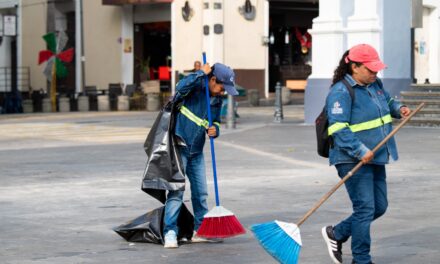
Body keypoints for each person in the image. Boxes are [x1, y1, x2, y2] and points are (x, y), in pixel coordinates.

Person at [321, 44, 411, 264]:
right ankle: (361, 260)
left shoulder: (375, 84)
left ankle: (338, 233)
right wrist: (360, 150)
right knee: (364, 209)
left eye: (376, 69)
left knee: (379, 207)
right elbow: (338, 129)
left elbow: (388, 102)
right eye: (370, 69)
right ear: (354, 66)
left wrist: (399, 109)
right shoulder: (340, 92)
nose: (375, 73)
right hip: (351, 158)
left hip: (376, 154)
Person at [163, 62, 238, 248]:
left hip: (196, 151)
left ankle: (200, 230)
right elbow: (180, 88)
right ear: (212, 79)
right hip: (180, 145)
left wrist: (216, 130)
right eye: (222, 86)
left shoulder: (216, 99)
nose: (223, 91)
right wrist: (199, 73)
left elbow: (216, 121)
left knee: (201, 192)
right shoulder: (195, 87)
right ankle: (170, 232)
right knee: (176, 190)